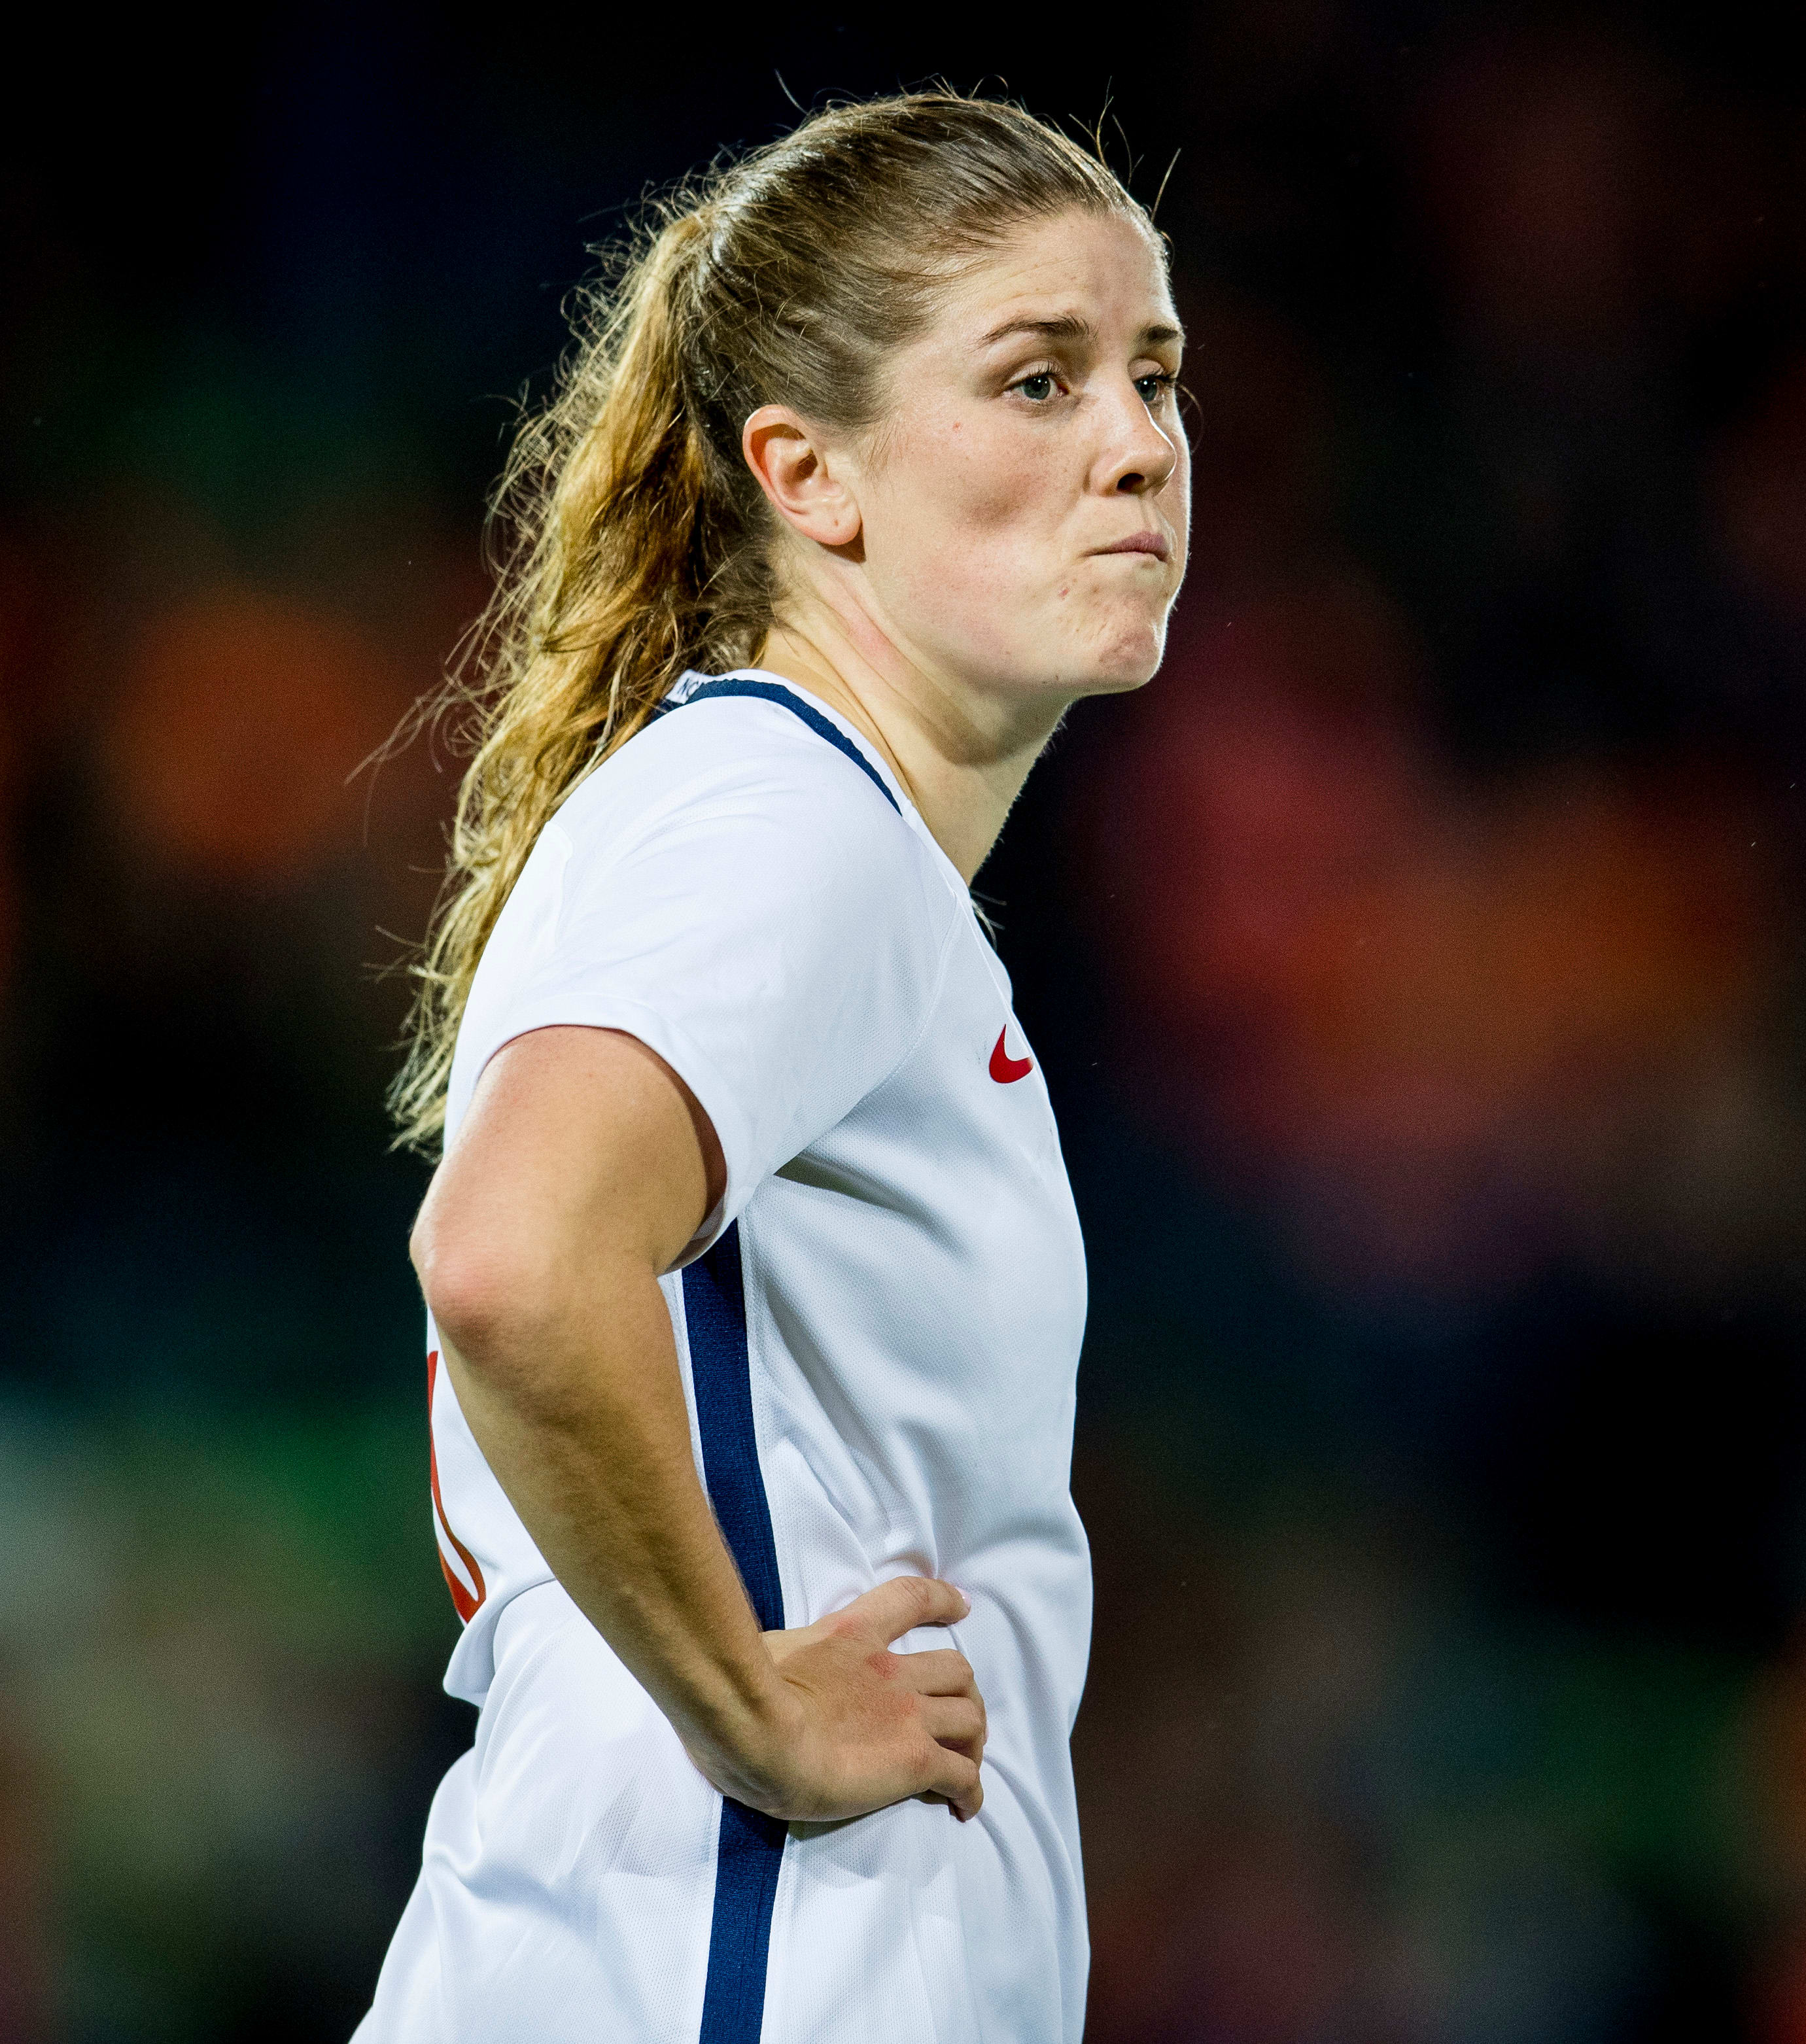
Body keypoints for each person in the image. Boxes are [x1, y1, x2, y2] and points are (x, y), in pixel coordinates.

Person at [354, 93, 1189, 2044]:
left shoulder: (809, 834)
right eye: (1040, 379)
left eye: (1154, 377)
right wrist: (749, 1707)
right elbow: (511, 1256)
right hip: (723, 1969)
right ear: (811, 475)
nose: (1140, 444)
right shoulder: (781, 810)